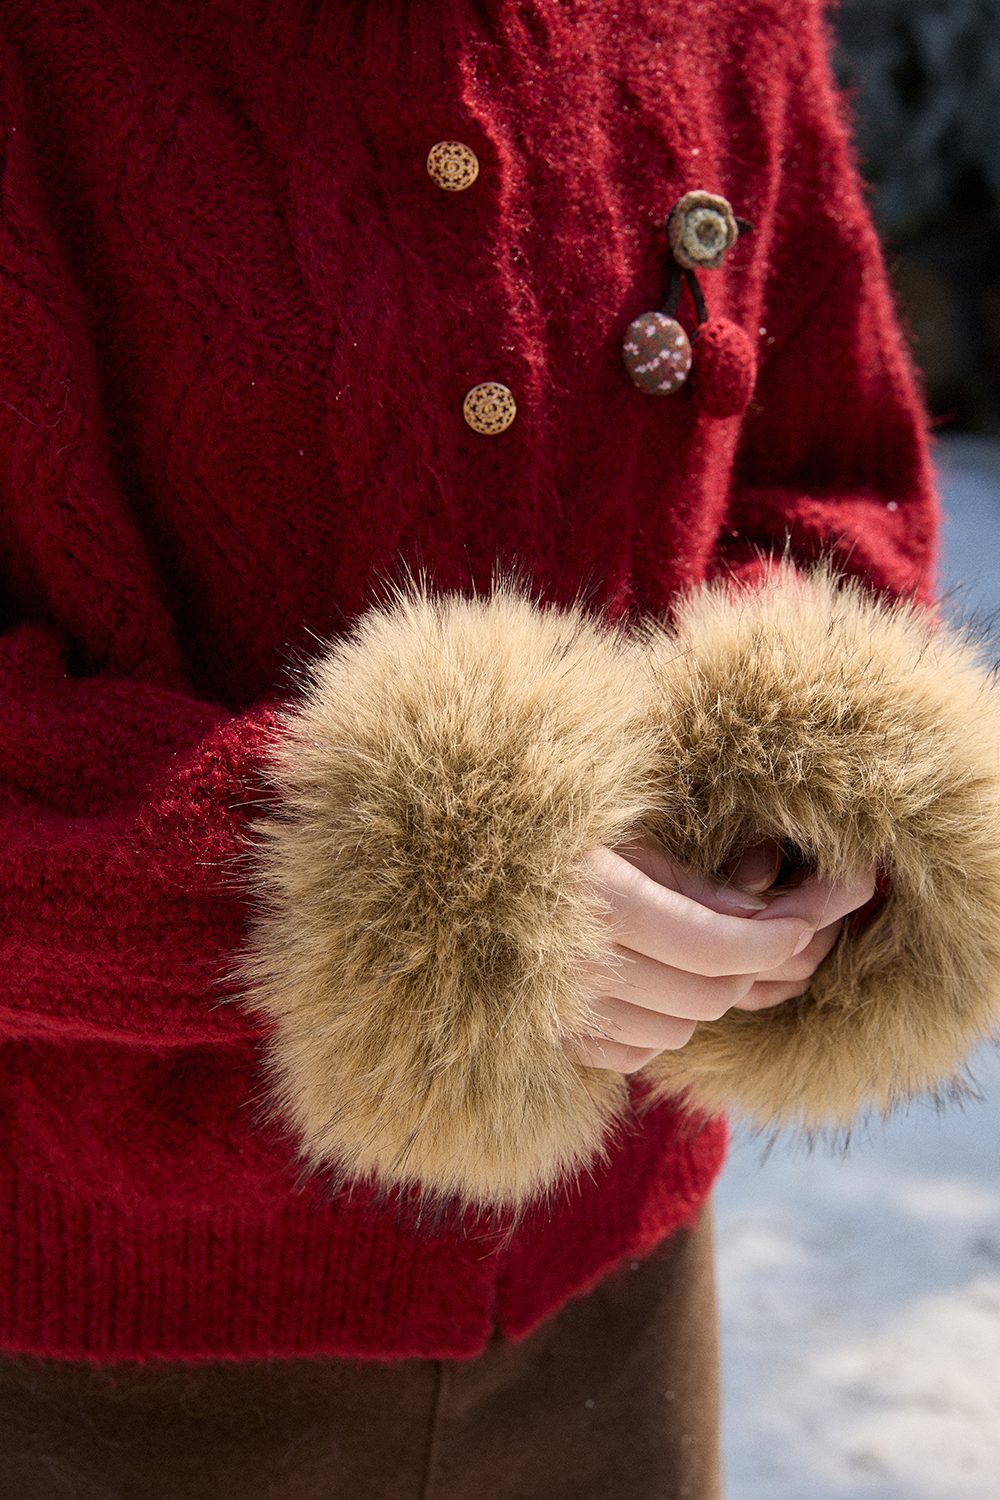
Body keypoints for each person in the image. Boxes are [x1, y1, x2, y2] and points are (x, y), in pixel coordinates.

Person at [2, 2, 999, 1496]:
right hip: (94, 1352)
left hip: (617, 1289)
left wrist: (793, 782)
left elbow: (826, 463)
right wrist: (385, 887)